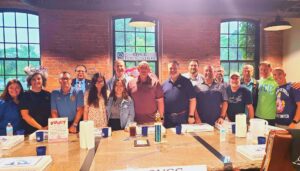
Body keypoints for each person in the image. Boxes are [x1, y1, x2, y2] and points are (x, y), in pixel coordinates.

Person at [162, 60, 196, 128]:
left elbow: (193, 100)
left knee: (183, 138)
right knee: (169, 138)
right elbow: (161, 102)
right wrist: (161, 118)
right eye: (170, 68)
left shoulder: (186, 82)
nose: (172, 70)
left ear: (178, 69)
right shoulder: (164, 84)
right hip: (167, 119)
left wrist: (191, 116)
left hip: (182, 118)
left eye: (175, 68)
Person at [20, 66, 51, 135]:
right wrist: (40, 128)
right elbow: (25, 115)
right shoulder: (25, 96)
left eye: (38, 79)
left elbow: (52, 112)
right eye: (33, 79)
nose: (36, 81)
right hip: (31, 132)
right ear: (30, 81)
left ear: (43, 80)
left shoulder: (48, 94)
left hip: (47, 130)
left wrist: (49, 126)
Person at [255, 61, 278, 126]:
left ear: (270, 69)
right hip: (258, 115)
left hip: (271, 116)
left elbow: (286, 85)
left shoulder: (276, 81)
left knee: (269, 135)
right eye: (261, 69)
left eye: (265, 69)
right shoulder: (258, 82)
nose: (263, 71)